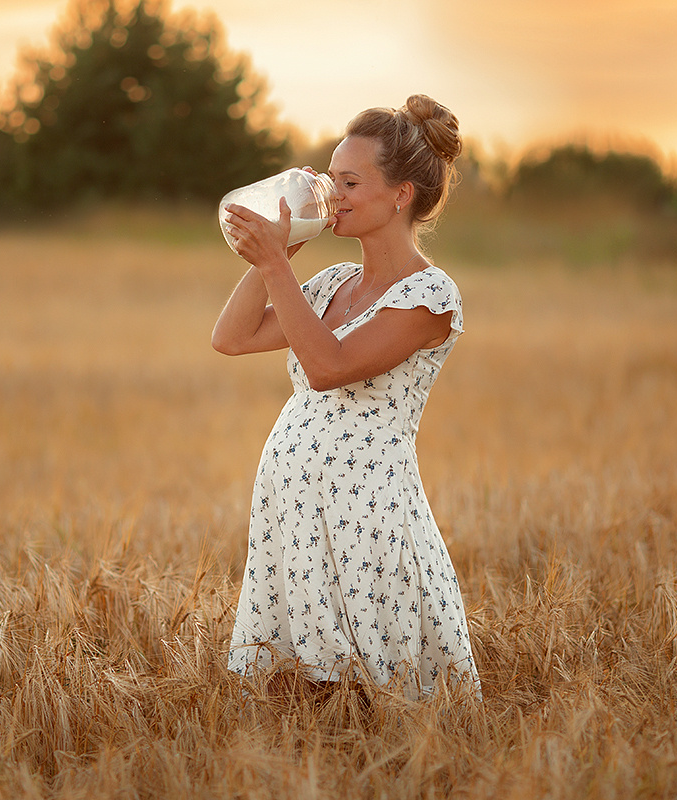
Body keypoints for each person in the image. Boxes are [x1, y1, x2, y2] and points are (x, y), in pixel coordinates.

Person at [212, 94, 482, 699]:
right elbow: (230, 338)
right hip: (295, 506)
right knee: (296, 685)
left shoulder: (429, 296)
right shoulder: (334, 282)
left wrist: (279, 266)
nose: (334, 193)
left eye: (351, 181)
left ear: (401, 195)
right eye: (331, 178)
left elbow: (330, 367)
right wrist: (284, 248)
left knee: (370, 683)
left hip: (365, 509)